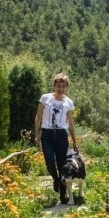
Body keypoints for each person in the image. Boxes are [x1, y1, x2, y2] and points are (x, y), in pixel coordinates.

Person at [34, 73, 79, 203]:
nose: (60, 89)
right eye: (58, 86)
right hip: (47, 134)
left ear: (66, 88)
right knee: (49, 162)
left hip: (61, 135)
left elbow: (70, 123)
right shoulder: (45, 98)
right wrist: (37, 135)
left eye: (63, 86)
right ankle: (55, 178)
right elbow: (38, 117)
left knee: (62, 165)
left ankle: (63, 194)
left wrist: (75, 142)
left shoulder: (68, 102)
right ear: (54, 86)